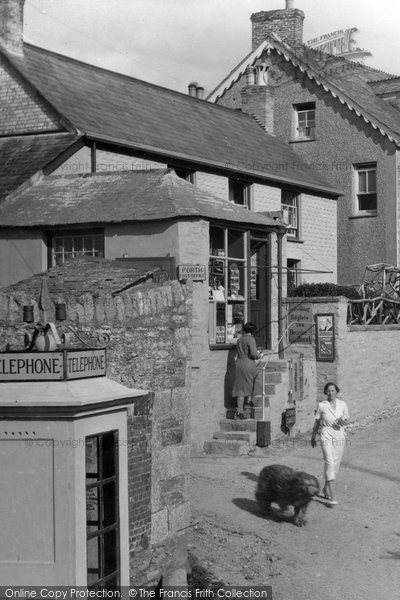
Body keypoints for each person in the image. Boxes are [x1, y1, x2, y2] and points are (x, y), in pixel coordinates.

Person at [311, 382, 349, 505]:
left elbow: (347, 419)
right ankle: (332, 495)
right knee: (329, 461)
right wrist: (313, 436)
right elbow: (317, 422)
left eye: (333, 390)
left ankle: (326, 488)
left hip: (339, 435)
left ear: (336, 391)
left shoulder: (343, 404)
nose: (330, 393)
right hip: (326, 434)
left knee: (335, 463)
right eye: (328, 391)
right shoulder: (322, 405)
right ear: (325, 392)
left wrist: (342, 422)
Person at [231, 322, 261, 419]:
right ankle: (248, 401)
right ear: (253, 331)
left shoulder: (240, 339)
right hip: (248, 364)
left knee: (240, 387)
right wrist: (259, 355)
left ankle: (241, 409)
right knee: (252, 381)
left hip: (239, 363)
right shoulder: (251, 339)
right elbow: (253, 354)